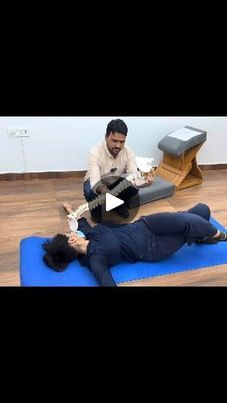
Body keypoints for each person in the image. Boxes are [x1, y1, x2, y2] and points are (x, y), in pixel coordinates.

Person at [43, 202, 227, 287]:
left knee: (202, 209)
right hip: (154, 246)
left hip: (147, 224)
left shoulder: (89, 233)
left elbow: (81, 222)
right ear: (72, 240)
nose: (72, 232)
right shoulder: (95, 259)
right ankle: (218, 236)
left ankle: (201, 236)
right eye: (69, 234)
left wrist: (70, 210)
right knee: (189, 222)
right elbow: (106, 282)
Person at [83, 118, 154, 223]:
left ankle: (115, 205)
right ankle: (96, 211)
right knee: (90, 193)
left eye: (122, 142)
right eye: (114, 141)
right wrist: (108, 193)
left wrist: (146, 183)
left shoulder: (128, 151)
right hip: (97, 184)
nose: (118, 145)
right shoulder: (95, 152)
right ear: (106, 137)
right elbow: (94, 182)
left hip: (114, 182)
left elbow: (134, 176)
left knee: (133, 188)